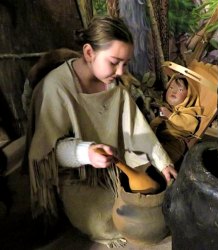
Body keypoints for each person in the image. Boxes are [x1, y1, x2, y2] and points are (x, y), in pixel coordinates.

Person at [25, 16, 177, 247]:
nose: (120, 71)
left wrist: (162, 162)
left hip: (117, 163)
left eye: (125, 63)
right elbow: (48, 152)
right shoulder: (56, 88)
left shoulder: (115, 85)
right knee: (107, 222)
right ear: (89, 52)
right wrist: (87, 153)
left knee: (157, 195)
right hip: (79, 174)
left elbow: (138, 129)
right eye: (114, 62)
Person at [150, 73, 202, 166]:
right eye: (171, 88)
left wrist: (170, 115)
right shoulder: (166, 106)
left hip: (175, 142)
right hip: (158, 139)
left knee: (164, 158)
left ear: (189, 95)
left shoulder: (188, 111)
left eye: (180, 89)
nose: (174, 91)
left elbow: (189, 124)